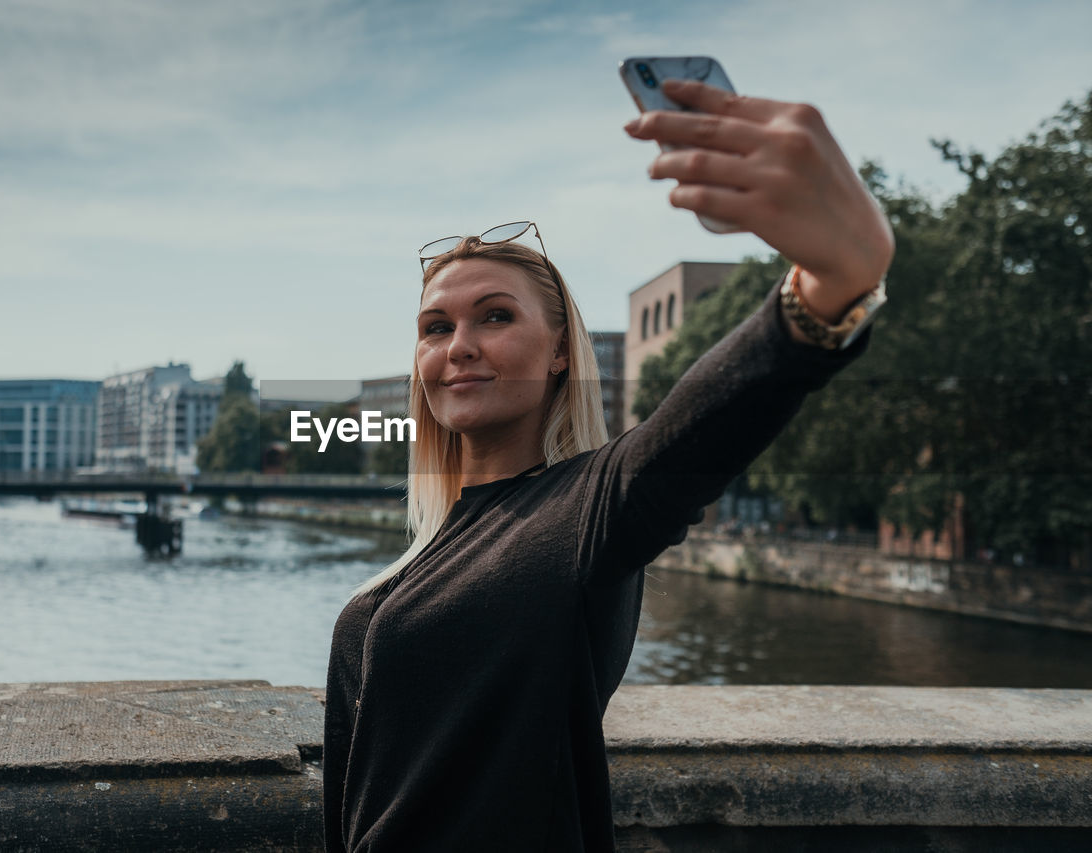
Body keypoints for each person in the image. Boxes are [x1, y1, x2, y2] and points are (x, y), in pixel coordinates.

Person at [323, 78, 894, 851]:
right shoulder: (425, 553)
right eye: (435, 326)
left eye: (495, 316)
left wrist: (835, 275)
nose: (458, 344)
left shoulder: (586, 511)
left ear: (560, 352)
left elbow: (714, 412)